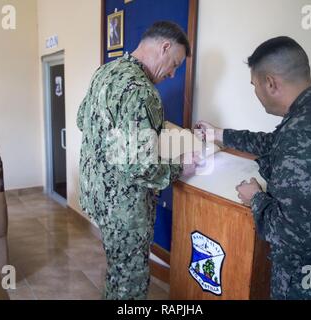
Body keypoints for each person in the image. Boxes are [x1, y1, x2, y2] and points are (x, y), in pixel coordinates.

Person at [196, 36, 311, 300]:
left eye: (254, 85)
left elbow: (299, 234)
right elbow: (274, 142)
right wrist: (220, 134)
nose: (255, 93)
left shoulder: (302, 134)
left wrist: (255, 198)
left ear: (270, 83)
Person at [77, 21, 197, 300]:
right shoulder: (142, 91)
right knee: (130, 282)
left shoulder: (105, 72)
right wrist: (182, 166)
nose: (172, 73)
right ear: (164, 47)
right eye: (175, 64)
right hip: (124, 209)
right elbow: (140, 167)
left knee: (117, 269)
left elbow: (83, 120)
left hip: (96, 195)